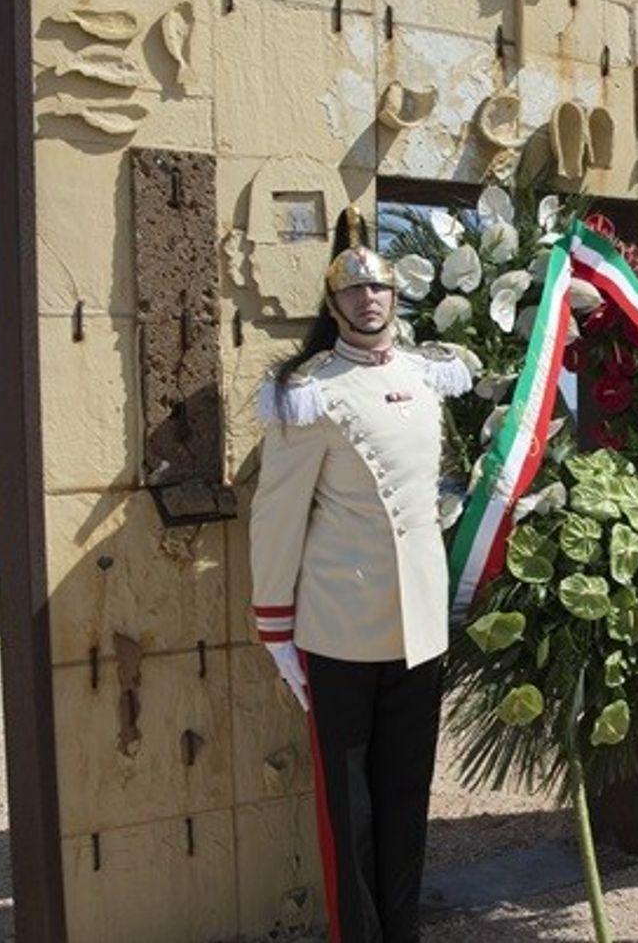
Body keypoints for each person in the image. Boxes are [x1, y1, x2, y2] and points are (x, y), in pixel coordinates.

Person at [249, 207, 468, 943]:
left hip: (420, 628)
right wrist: (275, 624)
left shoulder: (426, 374)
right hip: (341, 628)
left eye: (378, 291)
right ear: (333, 304)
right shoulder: (311, 391)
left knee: (407, 799)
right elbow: (276, 516)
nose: (367, 301)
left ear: (396, 298)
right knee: (352, 811)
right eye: (352, 293)